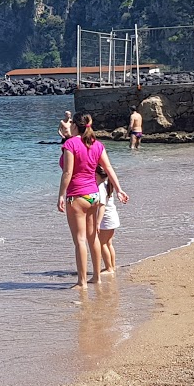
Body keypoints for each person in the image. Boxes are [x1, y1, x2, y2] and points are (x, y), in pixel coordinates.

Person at [57, 113, 125, 288]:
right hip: (94, 195)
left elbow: (67, 173)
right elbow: (108, 168)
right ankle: (96, 277)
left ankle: (82, 282)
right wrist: (118, 189)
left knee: (80, 240)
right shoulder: (97, 144)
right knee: (93, 236)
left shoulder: (71, 144)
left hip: (77, 196)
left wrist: (61, 195)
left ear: (75, 126)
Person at [95, 161, 121, 276]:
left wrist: (97, 222)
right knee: (109, 243)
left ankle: (109, 268)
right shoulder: (107, 184)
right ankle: (112, 266)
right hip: (113, 217)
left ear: (96, 175)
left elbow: (101, 206)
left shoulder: (100, 187)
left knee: (102, 244)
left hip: (106, 219)